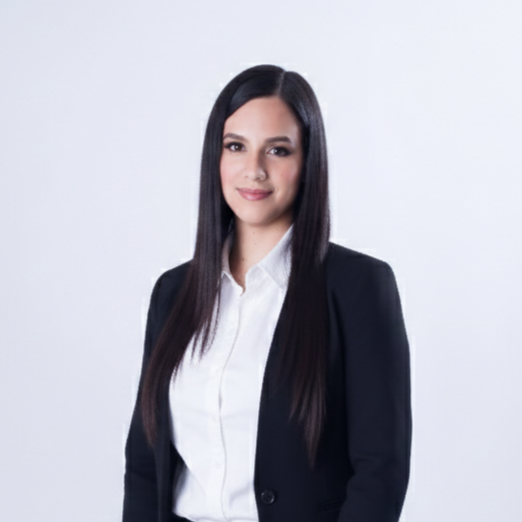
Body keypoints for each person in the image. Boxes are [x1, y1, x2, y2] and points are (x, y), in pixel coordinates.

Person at [122, 64, 412, 522]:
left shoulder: (359, 287)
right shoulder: (174, 293)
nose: (253, 170)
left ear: (307, 163)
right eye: (235, 146)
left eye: (277, 150)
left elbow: (380, 472)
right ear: (215, 158)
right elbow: (145, 462)